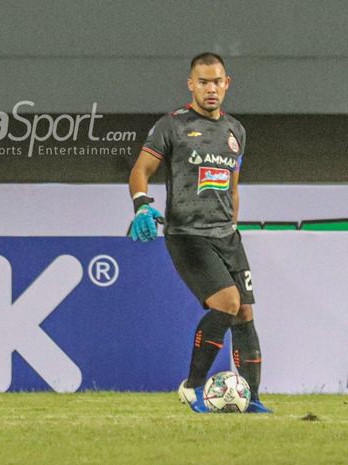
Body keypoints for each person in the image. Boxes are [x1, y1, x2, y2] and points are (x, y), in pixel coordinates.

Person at [128, 52, 271, 414]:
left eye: (217, 81)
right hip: (187, 234)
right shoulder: (171, 126)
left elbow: (233, 187)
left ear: (227, 84)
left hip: (227, 236)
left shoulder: (235, 130)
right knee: (227, 302)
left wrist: (233, 227)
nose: (211, 88)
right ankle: (192, 388)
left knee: (245, 314)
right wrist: (142, 204)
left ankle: (252, 399)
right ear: (191, 84)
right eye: (203, 81)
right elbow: (140, 170)